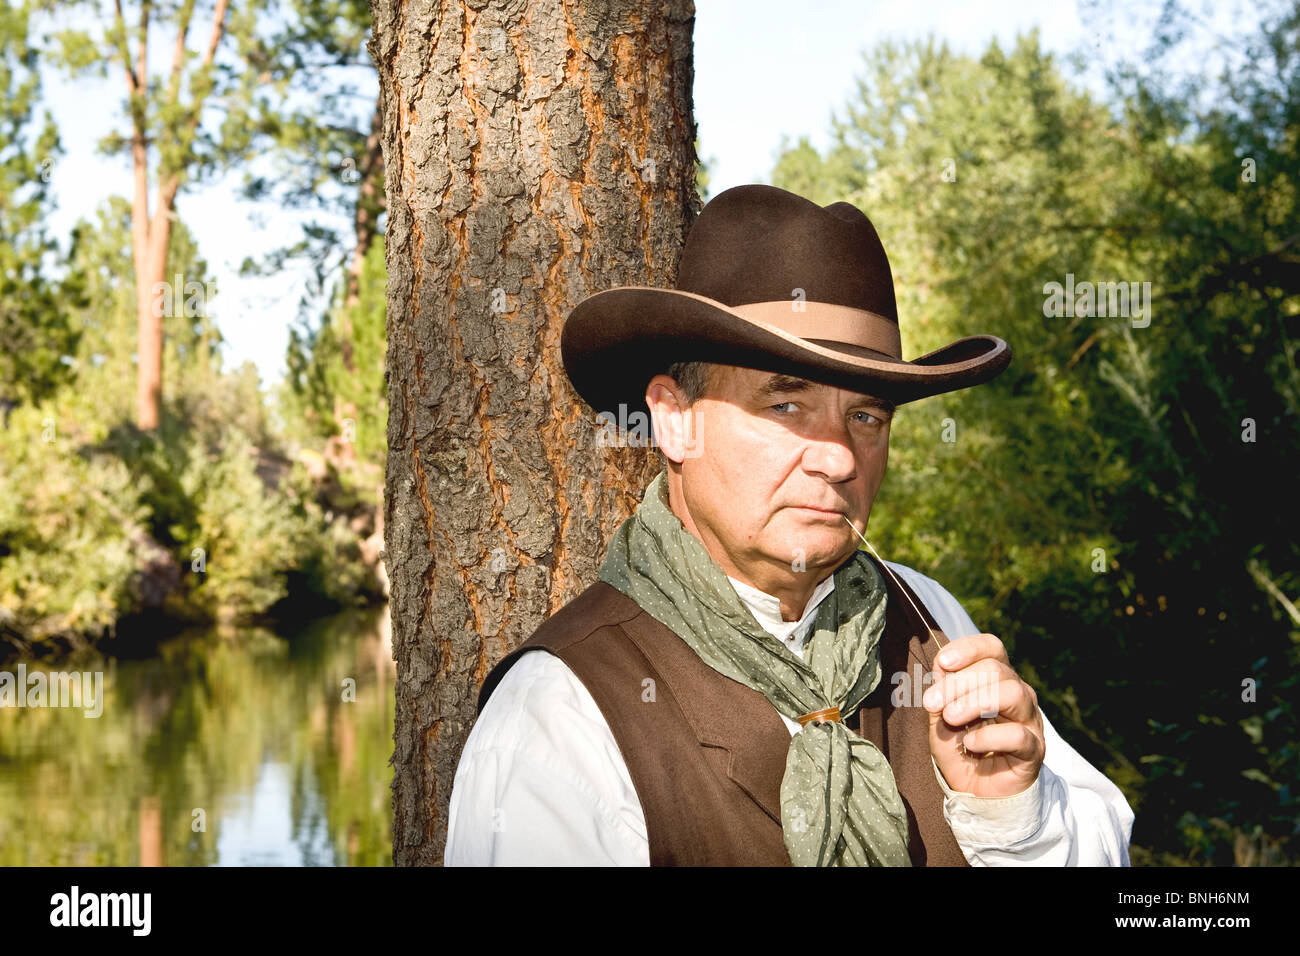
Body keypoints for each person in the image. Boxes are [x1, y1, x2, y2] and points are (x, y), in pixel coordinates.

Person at [445, 184, 1135, 866]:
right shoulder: (559, 714)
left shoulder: (932, 620)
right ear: (675, 419)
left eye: (866, 417)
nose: (839, 458)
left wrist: (1010, 816)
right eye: (785, 406)